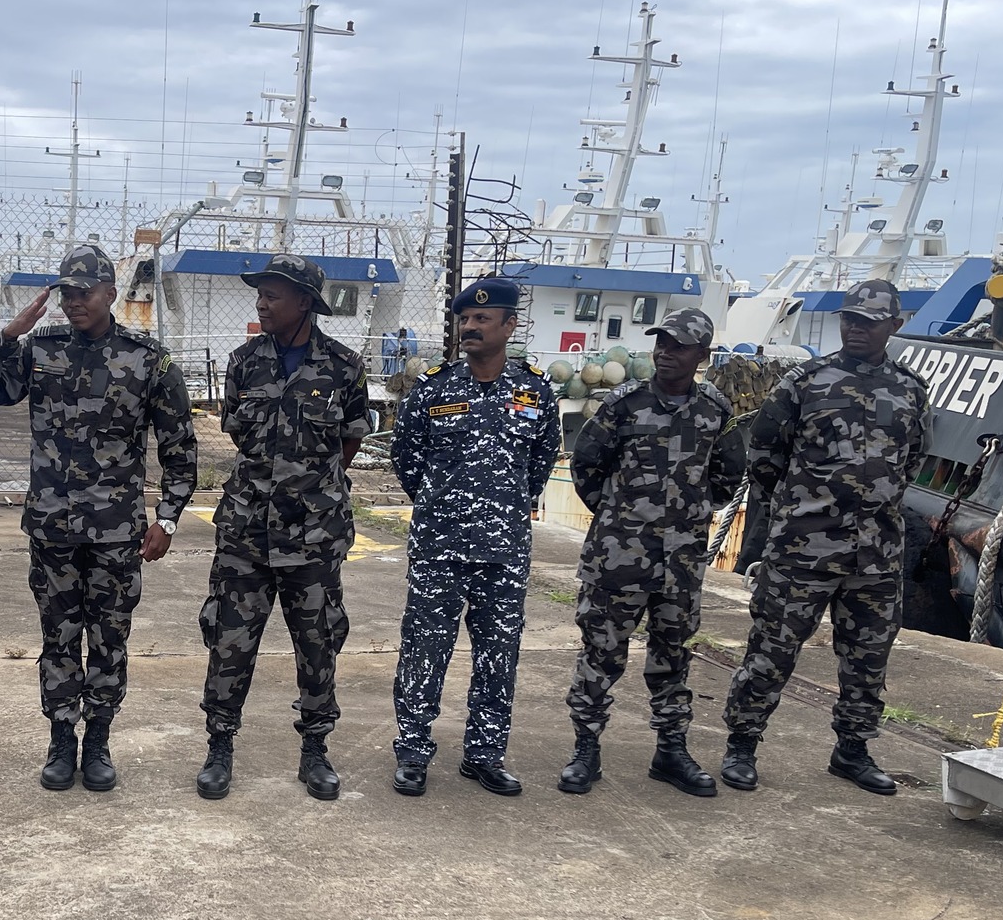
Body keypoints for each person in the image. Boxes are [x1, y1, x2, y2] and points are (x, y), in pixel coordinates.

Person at [0, 244, 197, 792]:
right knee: (59, 637)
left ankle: (98, 738)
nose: (73, 303)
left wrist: (167, 518)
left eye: (83, 293)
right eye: (65, 293)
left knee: (110, 637)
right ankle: (60, 738)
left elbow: (180, 448)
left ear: (110, 294)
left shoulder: (149, 360)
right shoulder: (38, 351)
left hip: (118, 532)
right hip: (52, 529)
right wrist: (6, 336)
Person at [720, 278, 932, 794]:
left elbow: (913, 461)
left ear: (894, 326)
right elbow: (765, 457)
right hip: (803, 548)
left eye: (869, 321)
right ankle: (742, 745)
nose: (856, 328)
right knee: (772, 649)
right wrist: (801, 510)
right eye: (850, 318)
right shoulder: (804, 382)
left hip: (876, 555)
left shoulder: (909, 389)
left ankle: (853, 750)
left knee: (868, 659)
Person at [196, 253, 370, 802]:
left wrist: (308, 488)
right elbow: (237, 433)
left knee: (317, 643)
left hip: (314, 534)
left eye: (273, 294)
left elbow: (349, 439)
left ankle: (315, 750)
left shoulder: (344, 367)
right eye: (261, 292)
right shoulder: (244, 361)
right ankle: (220, 745)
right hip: (246, 531)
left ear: (304, 303)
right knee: (229, 641)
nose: (262, 302)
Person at [387, 276, 561, 799]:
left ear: (510, 325)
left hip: (504, 551)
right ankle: (414, 753)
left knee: (498, 654)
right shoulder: (434, 387)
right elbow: (406, 458)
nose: (470, 326)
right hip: (440, 547)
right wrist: (442, 505)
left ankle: (485, 754)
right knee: (424, 651)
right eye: (465, 319)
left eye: (483, 319)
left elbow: (542, 461)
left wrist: (505, 507)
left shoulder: (534, 390)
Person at [559, 306, 743, 797]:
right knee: (601, 653)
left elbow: (726, 477)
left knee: (673, 656)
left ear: (701, 354)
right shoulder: (623, 403)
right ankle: (586, 750)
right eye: (661, 343)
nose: (666, 353)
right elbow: (586, 466)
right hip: (618, 556)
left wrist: (686, 515)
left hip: (680, 562)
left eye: (679, 346)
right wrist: (621, 516)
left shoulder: (715, 412)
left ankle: (671, 751)